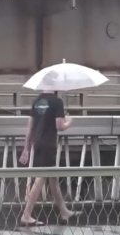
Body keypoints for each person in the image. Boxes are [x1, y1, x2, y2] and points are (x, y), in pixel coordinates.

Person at [18, 91, 77, 226]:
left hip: (37, 142)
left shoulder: (36, 102)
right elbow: (60, 126)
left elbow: (30, 126)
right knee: (41, 177)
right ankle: (26, 214)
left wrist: (26, 148)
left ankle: (63, 211)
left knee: (52, 177)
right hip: (49, 143)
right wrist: (69, 122)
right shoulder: (57, 102)